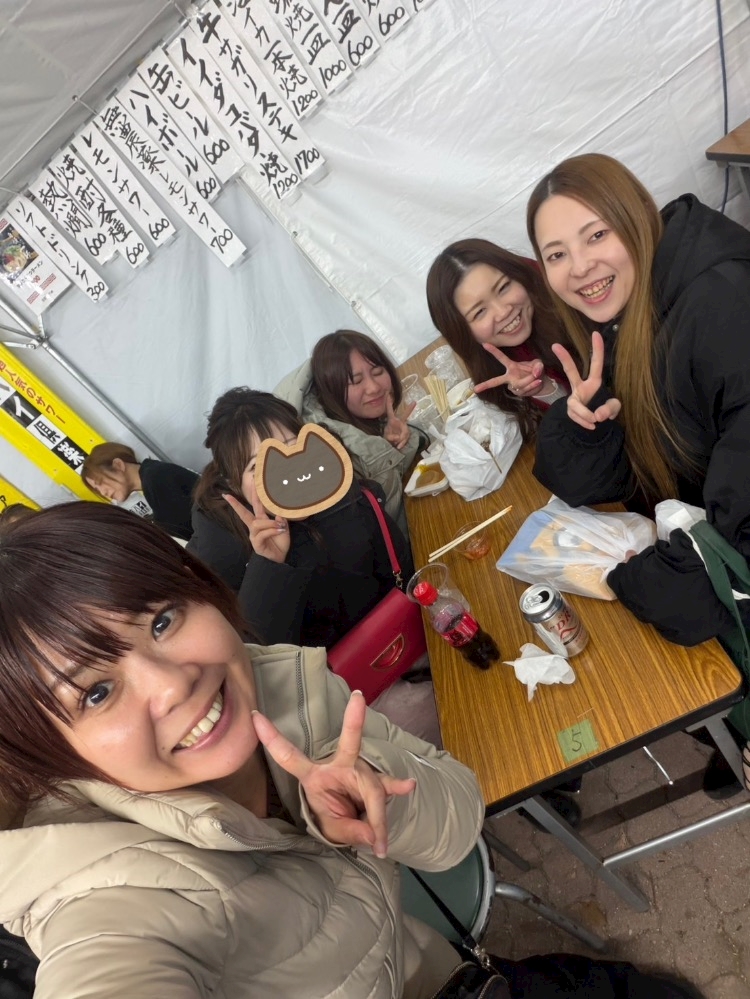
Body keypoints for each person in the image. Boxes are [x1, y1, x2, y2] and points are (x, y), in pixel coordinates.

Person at [0, 504, 705, 999]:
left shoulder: (285, 685)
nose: (171, 683)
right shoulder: (101, 900)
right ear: (46, 751)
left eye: (160, 621)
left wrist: (374, 790)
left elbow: (459, 817)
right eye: (95, 692)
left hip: (449, 973)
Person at [526, 152, 750, 792]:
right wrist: (580, 421)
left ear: (637, 216)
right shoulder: (629, 312)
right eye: (557, 254)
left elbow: (714, 572)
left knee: (654, 657)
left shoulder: (721, 303)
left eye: (596, 234)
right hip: (703, 520)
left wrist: (635, 577)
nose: (580, 267)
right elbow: (583, 480)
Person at [188, 387, 415, 650]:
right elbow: (259, 656)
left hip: (402, 642)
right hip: (333, 674)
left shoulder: (346, 491)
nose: (286, 471)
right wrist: (268, 565)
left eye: (292, 446)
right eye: (258, 465)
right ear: (235, 485)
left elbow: (401, 569)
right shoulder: (225, 553)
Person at [275, 330, 425, 535]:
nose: (373, 387)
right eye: (355, 381)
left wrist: (391, 443)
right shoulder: (327, 454)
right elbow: (383, 520)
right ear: (331, 391)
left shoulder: (361, 420)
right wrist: (385, 451)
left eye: (377, 372)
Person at [426, 239, 569, 439]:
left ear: (518, 274)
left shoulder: (565, 298)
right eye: (480, 312)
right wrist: (541, 387)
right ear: (463, 333)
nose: (503, 312)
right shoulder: (496, 360)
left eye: (503, 288)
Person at [82, 441, 198, 541]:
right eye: (97, 490)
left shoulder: (156, 478)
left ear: (118, 465)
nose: (103, 493)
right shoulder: (152, 476)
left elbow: (188, 533)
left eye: (100, 483)